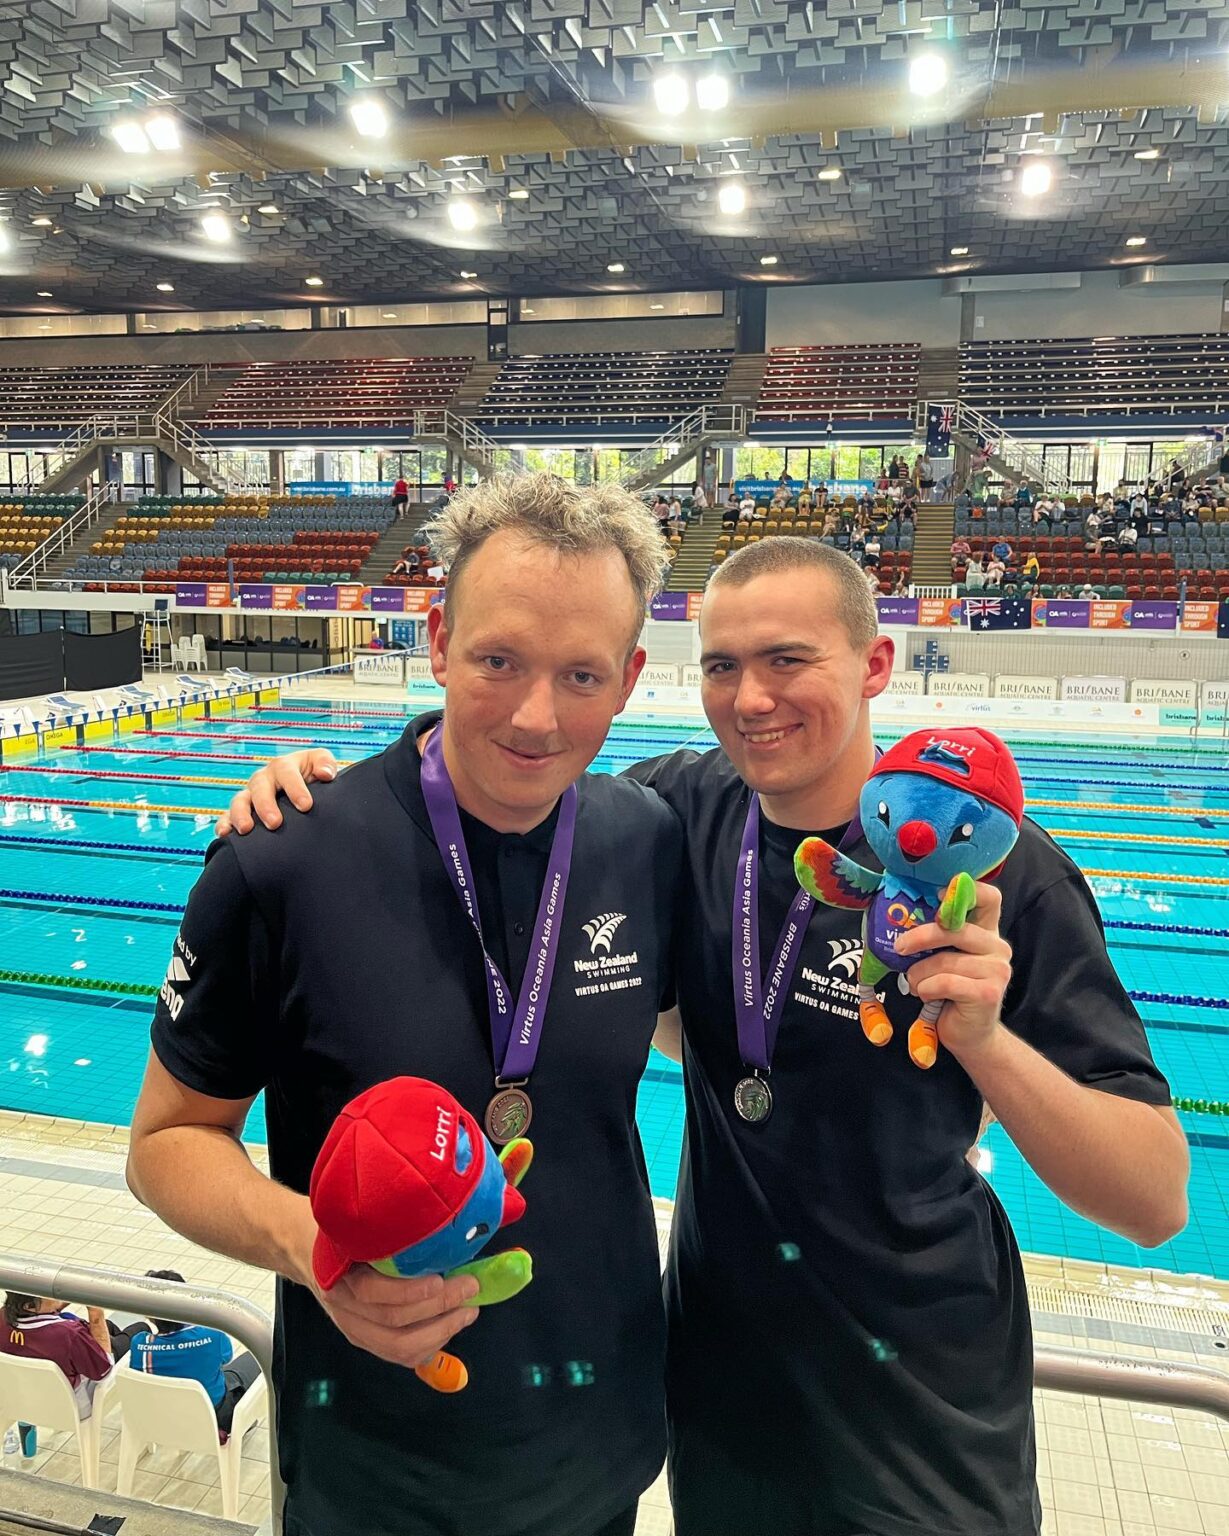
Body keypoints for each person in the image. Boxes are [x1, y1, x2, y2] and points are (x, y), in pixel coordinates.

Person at [228, 537, 1187, 1536]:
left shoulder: (997, 878)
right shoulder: (677, 814)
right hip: (715, 1401)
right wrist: (306, 793)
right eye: (722, 666)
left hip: (917, 1411)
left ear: (873, 666)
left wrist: (984, 1041)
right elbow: (498, 785)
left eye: (785, 660)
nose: (749, 699)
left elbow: (1154, 1198)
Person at [127, 474, 684, 1536]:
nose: (535, 715)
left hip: (599, 1446)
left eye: (579, 674)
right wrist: (311, 1245)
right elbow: (165, 1143)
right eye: (497, 661)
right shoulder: (283, 859)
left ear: (628, 680)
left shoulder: (646, 843)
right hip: (373, 1470)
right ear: (435, 640)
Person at [1, 1290, 142, 1448]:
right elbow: (105, 1371)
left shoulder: (3, 1317)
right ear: (30, 1305)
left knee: (109, 1328)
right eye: (47, 1291)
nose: (52, 1292)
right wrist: (96, 1316)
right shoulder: (69, 1334)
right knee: (139, 1330)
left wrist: (69, 1295)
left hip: (18, 1400)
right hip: (70, 1409)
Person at [127, 1270, 261, 1435]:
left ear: (148, 1313)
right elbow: (226, 1358)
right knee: (254, 1358)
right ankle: (246, 1420)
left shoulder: (140, 1344)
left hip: (162, 1418)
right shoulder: (213, 1335)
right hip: (214, 1416)